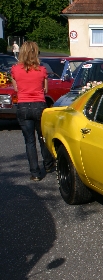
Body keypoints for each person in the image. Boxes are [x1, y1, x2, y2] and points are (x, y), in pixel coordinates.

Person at [11, 41, 55, 181]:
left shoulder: (15, 69)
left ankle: (35, 173)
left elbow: (16, 89)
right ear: (36, 53)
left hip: (23, 106)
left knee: (29, 141)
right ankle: (48, 165)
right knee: (43, 138)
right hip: (39, 105)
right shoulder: (42, 70)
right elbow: (46, 90)